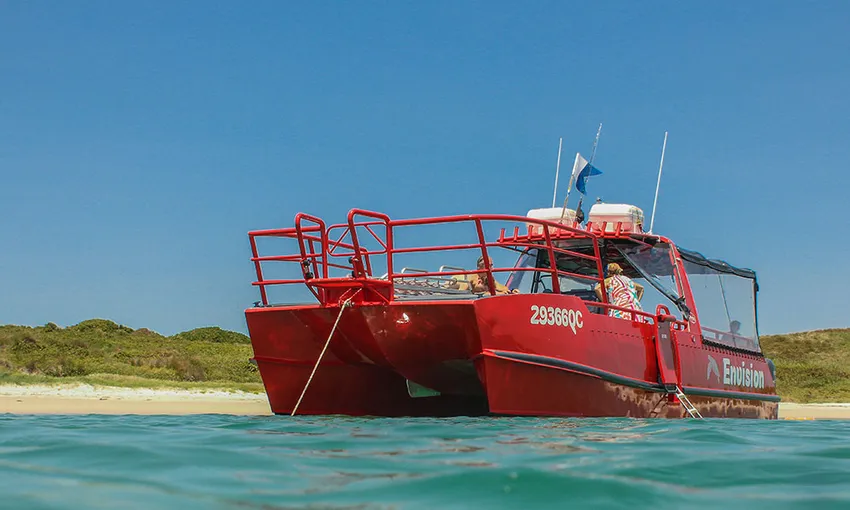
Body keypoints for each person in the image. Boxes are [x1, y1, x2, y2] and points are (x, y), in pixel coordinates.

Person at [448, 255, 518, 295]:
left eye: (491, 265)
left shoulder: (488, 278)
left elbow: (500, 287)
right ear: (480, 267)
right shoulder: (471, 278)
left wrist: (512, 291)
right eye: (488, 265)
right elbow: (461, 293)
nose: (492, 268)